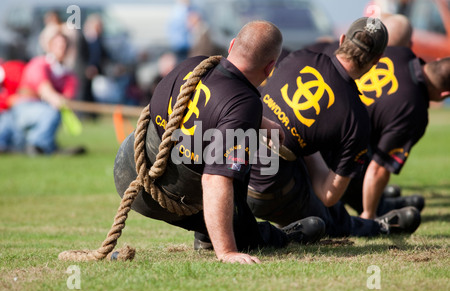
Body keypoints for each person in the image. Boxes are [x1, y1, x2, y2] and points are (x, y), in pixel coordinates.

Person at [114, 21, 325, 265]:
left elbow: (208, 109)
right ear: (270, 68)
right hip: (162, 197)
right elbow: (214, 180)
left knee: (227, 143)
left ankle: (207, 235)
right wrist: (227, 251)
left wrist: (261, 123)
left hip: (126, 171)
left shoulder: (194, 65)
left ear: (232, 45)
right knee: (235, 163)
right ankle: (266, 236)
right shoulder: (245, 104)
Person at [246, 17, 421, 238]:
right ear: (377, 61)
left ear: (342, 40)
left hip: (232, 171)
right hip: (266, 192)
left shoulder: (300, 57)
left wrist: (301, 141)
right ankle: (379, 226)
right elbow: (328, 194)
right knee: (332, 218)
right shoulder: (356, 118)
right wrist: (309, 149)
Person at [340, 14, 450, 219]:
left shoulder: (399, 52)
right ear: (445, 94)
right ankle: (371, 210)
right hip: (337, 149)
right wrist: (368, 217)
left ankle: (382, 203)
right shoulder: (415, 111)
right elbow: (379, 168)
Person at [0, 24, 85, 156]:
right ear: (49, 46)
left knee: (50, 115)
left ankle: (39, 145)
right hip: (23, 109)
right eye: (58, 45)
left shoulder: (69, 76)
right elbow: (45, 90)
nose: (61, 49)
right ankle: (39, 145)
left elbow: (67, 99)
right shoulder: (39, 64)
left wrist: (61, 101)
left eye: (64, 46)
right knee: (50, 113)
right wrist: (56, 99)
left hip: (38, 113)